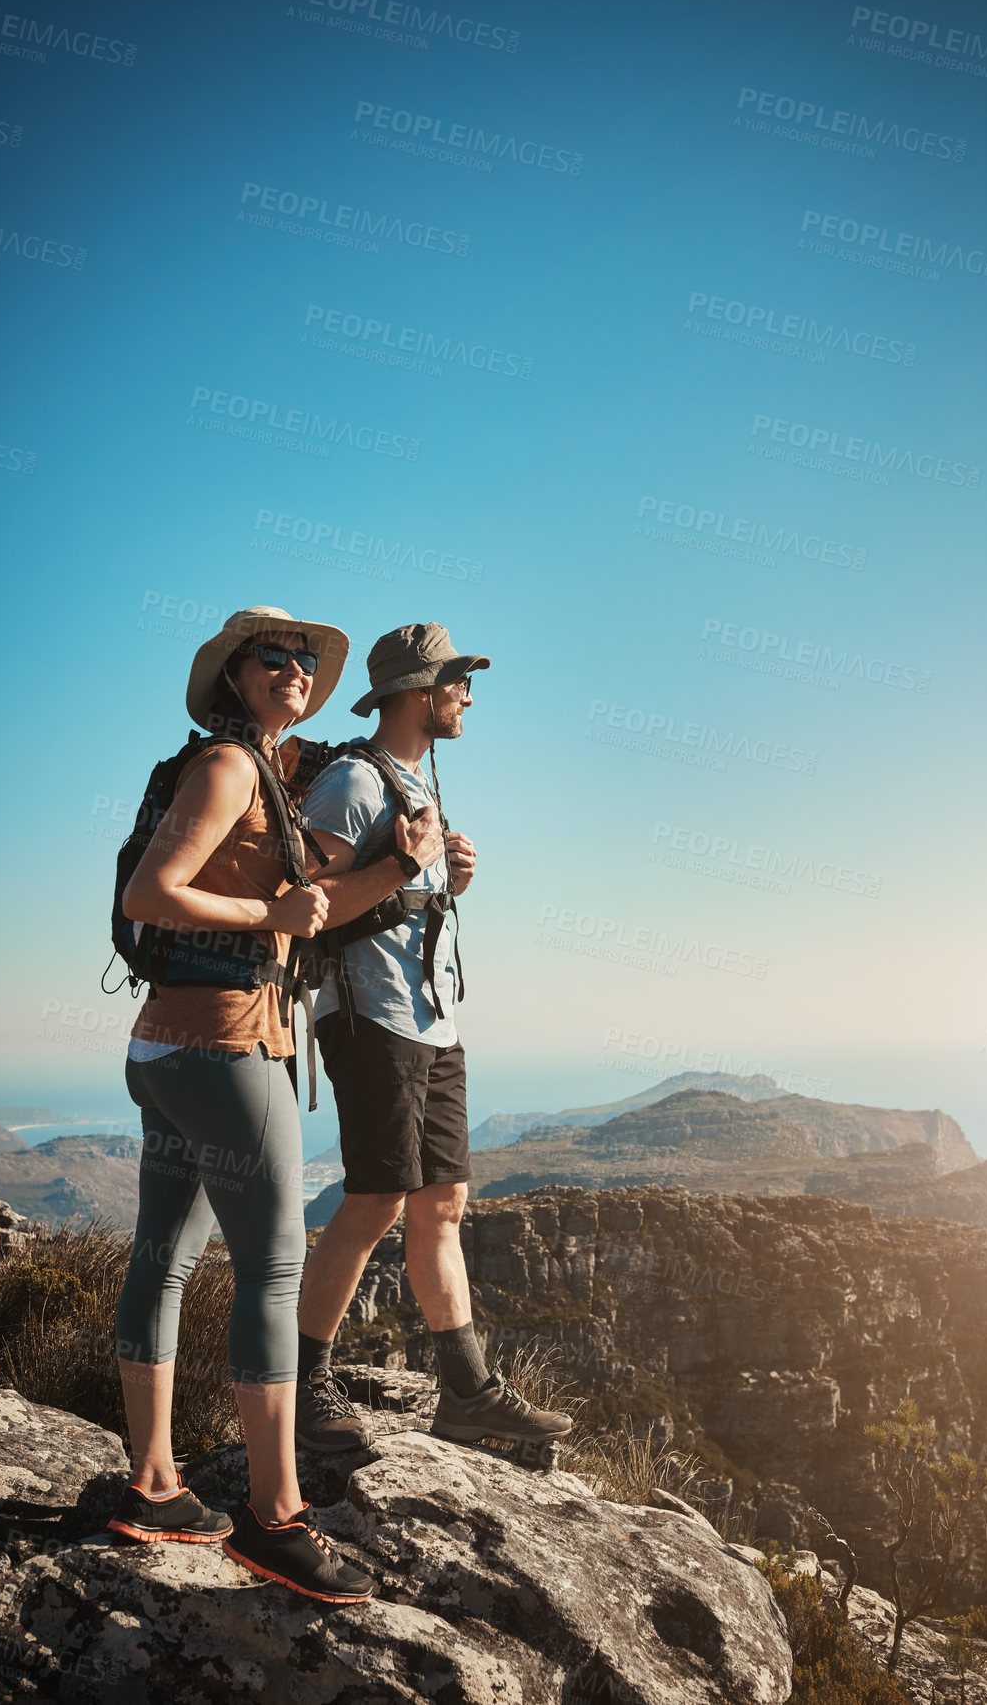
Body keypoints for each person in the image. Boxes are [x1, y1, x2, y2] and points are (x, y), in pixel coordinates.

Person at [108, 604, 375, 1603]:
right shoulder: (223, 768)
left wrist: (396, 864)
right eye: (276, 658)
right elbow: (150, 891)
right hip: (227, 1049)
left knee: (164, 1259)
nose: (296, 672)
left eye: (306, 662)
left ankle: (154, 1484)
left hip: (167, 1047)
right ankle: (275, 1518)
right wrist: (269, 912)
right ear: (233, 674)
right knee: (274, 1269)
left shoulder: (257, 774)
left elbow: (310, 907)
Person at [295, 621, 572, 1456]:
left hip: (433, 1019)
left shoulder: (418, 782)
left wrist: (448, 881)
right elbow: (307, 906)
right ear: (419, 691)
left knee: (442, 1203)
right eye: (458, 682)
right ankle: (305, 1382)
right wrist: (398, 870)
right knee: (377, 1199)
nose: (468, 696)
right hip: (370, 1016)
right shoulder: (350, 782)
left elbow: (401, 902)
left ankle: (466, 1393)